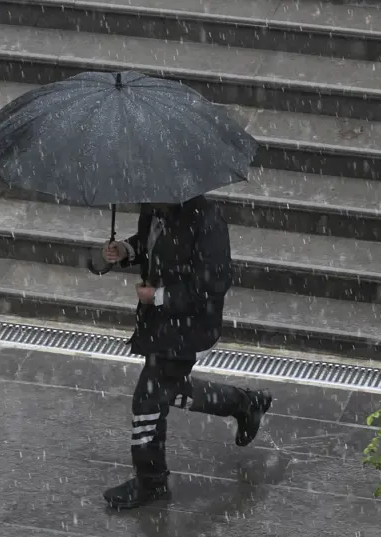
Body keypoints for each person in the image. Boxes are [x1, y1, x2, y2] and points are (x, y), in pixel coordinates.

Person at [100, 196, 273, 509]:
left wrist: (160, 296)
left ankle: (150, 481)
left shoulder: (207, 220)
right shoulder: (153, 207)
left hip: (189, 327)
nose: (148, 198)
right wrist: (126, 250)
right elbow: (150, 242)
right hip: (157, 323)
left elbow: (215, 282)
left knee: (148, 399)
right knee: (168, 389)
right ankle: (246, 404)